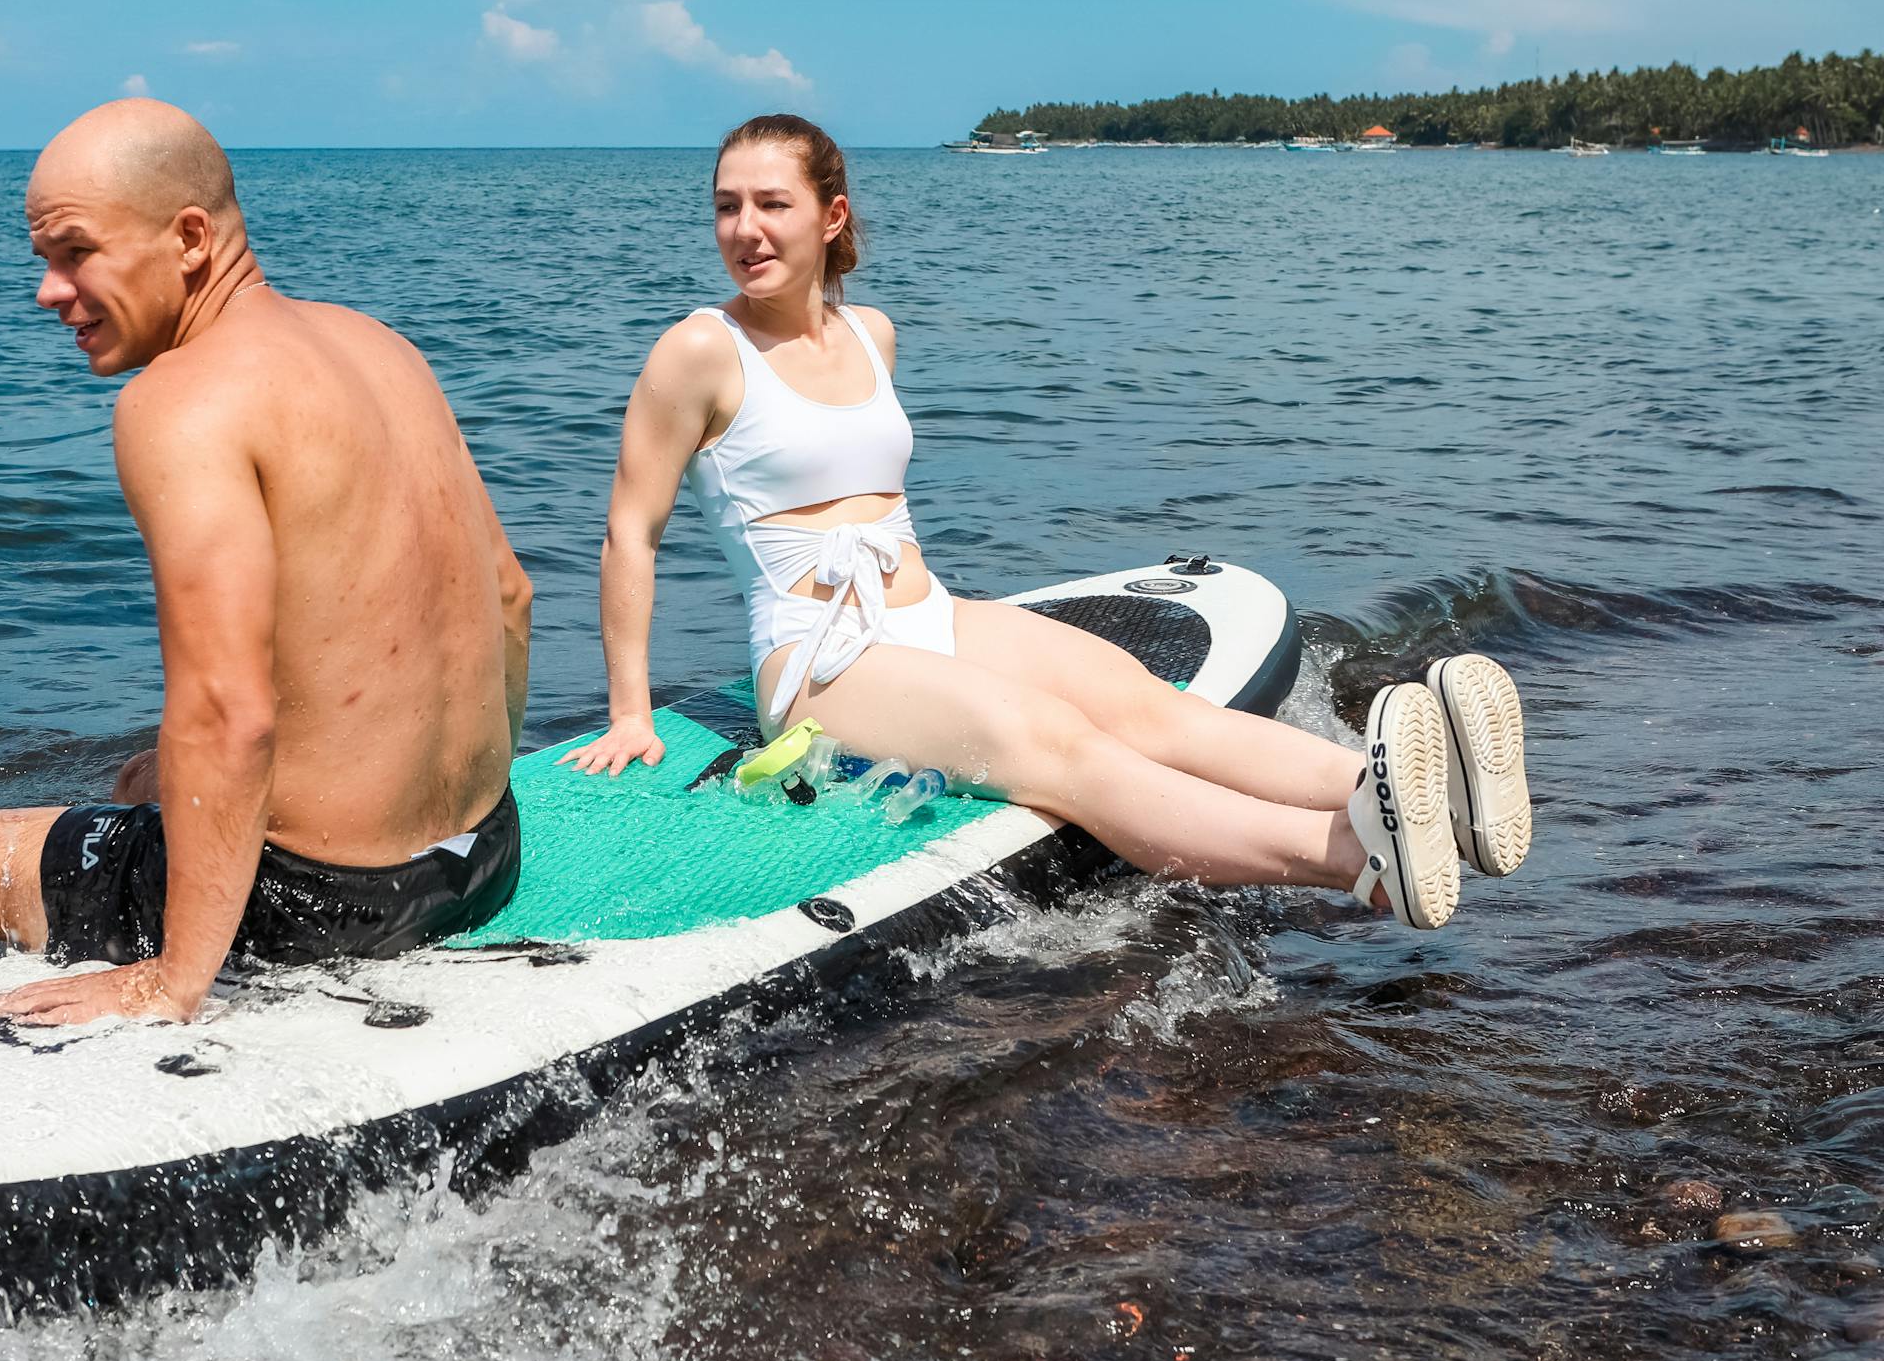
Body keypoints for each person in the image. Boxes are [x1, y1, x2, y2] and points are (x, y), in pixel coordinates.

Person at [563, 114, 1532, 929]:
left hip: (928, 611)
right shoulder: (700, 349)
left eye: (771, 203)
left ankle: (1422, 788)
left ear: (832, 214)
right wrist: (630, 712)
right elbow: (629, 534)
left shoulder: (871, 332)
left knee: (1152, 706)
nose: (745, 228)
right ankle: (1357, 859)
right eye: (727, 205)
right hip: (817, 660)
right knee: (1059, 747)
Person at [0, 99, 534, 1022]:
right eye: (44, 261)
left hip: (316, 909)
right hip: (485, 857)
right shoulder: (379, 346)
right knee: (141, 779)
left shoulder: (179, 400)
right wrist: (442, 818)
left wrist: (173, 980)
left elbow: (227, 711)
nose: (49, 292)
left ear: (188, 237)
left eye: (75, 253)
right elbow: (509, 596)